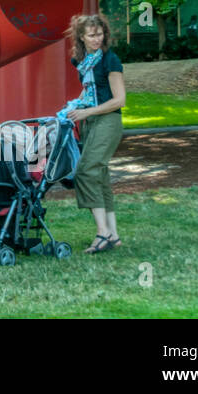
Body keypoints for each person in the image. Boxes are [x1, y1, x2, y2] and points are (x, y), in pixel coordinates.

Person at [64, 13, 126, 254]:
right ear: (81, 36)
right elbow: (89, 89)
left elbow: (119, 100)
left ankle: (103, 233)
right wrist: (75, 106)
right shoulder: (81, 61)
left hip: (108, 120)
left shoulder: (110, 60)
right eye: (91, 35)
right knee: (100, 176)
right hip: (90, 120)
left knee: (86, 170)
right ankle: (114, 234)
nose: (96, 39)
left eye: (99, 34)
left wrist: (87, 112)